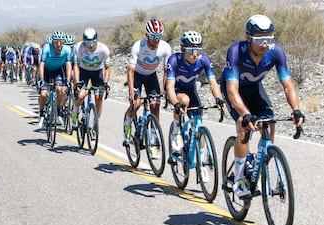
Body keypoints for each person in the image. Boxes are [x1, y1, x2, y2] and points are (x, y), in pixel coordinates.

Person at [220, 14, 305, 198]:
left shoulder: (276, 52)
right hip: (233, 88)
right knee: (244, 127)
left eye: (268, 39)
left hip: (254, 87)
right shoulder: (236, 51)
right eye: (260, 39)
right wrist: (245, 113)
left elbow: (288, 85)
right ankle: (240, 178)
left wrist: (296, 109)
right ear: (248, 37)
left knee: (269, 123)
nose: (265, 44)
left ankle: (259, 164)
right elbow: (232, 90)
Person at [166, 30, 224, 155]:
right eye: (191, 50)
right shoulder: (174, 60)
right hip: (176, 90)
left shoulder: (204, 60)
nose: (195, 54)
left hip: (191, 90)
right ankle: (176, 131)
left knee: (198, 123)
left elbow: (213, 82)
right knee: (184, 100)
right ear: (182, 49)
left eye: (198, 50)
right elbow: (169, 87)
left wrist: (218, 98)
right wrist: (176, 103)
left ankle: (202, 160)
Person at [123, 19, 172, 148]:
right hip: (137, 76)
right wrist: (131, 92)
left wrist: (165, 89)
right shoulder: (138, 46)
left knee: (155, 105)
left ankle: (153, 140)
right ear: (147, 35)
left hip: (151, 76)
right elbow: (130, 70)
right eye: (153, 37)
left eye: (159, 37)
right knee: (136, 103)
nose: (156, 40)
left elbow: (167, 71)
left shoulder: (165, 47)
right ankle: (127, 125)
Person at [71, 28, 111, 127]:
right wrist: (76, 82)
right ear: (84, 41)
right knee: (81, 95)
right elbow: (76, 65)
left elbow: (107, 68)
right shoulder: (79, 47)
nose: (91, 45)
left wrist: (105, 83)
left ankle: (96, 123)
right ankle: (75, 113)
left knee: (99, 97)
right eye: (88, 43)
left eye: (93, 42)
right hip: (84, 72)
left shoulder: (103, 49)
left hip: (97, 73)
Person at [38, 30, 72, 128]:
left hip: (58, 71)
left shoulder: (66, 50)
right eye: (56, 42)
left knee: (59, 90)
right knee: (43, 94)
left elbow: (68, 65)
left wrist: (68, 80)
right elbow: (42, 64)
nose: (58, 44)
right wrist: (41, 78)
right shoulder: (47, 48)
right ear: (52, 42)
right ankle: (41, 114)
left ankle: (59, 112)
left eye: (61, 42)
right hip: (46, 71)